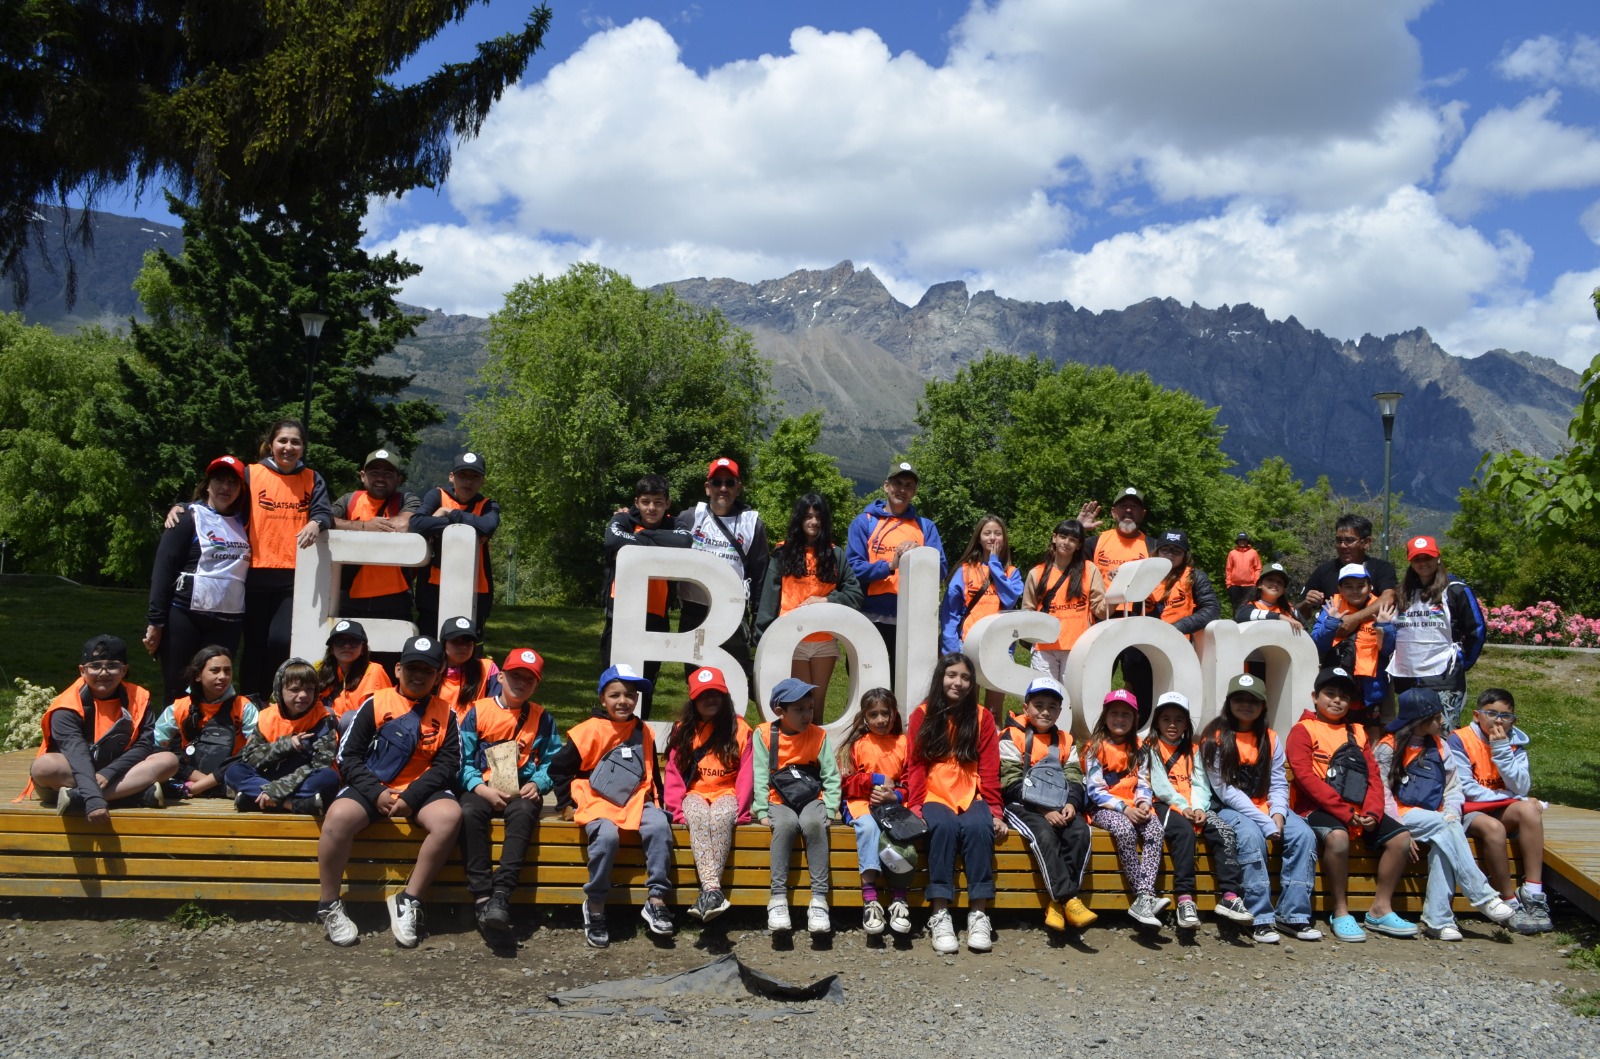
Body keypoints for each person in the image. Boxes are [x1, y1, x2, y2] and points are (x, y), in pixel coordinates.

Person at [316, 634, 463, 948]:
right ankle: (329, 904)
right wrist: (375, 792)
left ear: (438, 675)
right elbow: (348, 756)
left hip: (420, 790)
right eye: (412, 667)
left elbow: (449, 765)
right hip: (373, 784)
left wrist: (412, 796)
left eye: (427, 670)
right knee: (338, 816)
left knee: (450, 816)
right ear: (397, 669)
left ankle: (409, 901)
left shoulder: (446, 713)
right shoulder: (376, 703)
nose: (418, 675)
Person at [547, 664, 676, 948]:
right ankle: (595, 905)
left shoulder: (643, 731)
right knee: (606, 837)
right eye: (615, 695)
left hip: (636, 798)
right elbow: (558, 769)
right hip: (595, 801)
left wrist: (659, 803)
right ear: (602, 698)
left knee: (658, 826)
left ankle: (656, 899)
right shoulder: (585, 731)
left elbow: (651, 772)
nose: (623, 701)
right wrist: (565, 805)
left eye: (630, 695)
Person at [1285, 667, 1418, 943]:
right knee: (1338, 837)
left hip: (1358, 810)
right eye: (1329, 694)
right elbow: (1306, 777)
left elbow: (1373, 777)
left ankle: (1380, 909)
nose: (1336, 700)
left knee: (1401, 838)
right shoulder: (1302, 730)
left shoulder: (1356, 731)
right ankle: (1340, 911)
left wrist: (1371, 811)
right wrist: (1343, 811)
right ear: (1314, 697)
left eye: (1343, 696)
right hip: (1315, 809)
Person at [1373, 689, 1516, 941]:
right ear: (1421, 720)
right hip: (1399, 818)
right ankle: (1483, 896)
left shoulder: (1440, 746)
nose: (1442, 722)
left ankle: (1438, 920)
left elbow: (1453, 788)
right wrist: (1398, 829)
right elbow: (1381, 794)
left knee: (1446, 835)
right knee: (1445, 827)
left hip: (1436, 820)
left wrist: (1451, 813)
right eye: (1437, 717)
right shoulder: (1388, 747)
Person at [1200, 673, 1320, 944]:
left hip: (1265, 807)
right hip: (1228, 809)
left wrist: (1277, 812)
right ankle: (1260, 917)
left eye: (1253, 700)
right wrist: (1265, 821)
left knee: (1303, 835)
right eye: (1239, 699)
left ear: (1263, 705)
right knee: (1251, 837)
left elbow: (1278, 782)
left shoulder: (1270, 738)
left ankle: (1293, 915)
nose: (1246, 705)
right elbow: (1225, 791)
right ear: (1229, 702)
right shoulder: (1214, 737)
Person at [457, 646, 560, 934]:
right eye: (515, 676)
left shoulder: (543, 718)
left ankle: (502, 894)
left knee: (524, 813)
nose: (521, 683)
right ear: (500, 676)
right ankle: (481, 895)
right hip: (481, 788)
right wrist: (479, 787)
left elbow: (553, 761)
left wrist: (537, 784)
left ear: (536, 685)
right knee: (467, 813)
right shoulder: (478, 712)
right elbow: (462, 760)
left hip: (520, 792)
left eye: (529, 679)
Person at [907, 652, 1005, 954]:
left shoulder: (981, 717)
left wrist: (995, 810)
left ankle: (979, 912)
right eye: (952, 675)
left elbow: (989, 766)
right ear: (941, 677)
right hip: (934, 791)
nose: (958, 682)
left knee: (979, 827)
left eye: (965, 677)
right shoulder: (921, 714)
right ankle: (939, 911)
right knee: (943, 827)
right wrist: (915, 807)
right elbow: (916, 764)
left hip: (970, 789)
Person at [23, 635, 179, 819]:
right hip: (72, 772)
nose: (103, 673)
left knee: (168, 760)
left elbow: (143, 745)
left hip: (118, 771)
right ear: (82, 670)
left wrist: (108, 773)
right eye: (95, 666)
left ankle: (77, 798)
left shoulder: (140, 697)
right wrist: (95, 802)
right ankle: (132, 795)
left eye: (112, 666)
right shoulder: (66, 705)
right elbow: (77, 755)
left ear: (124, 670)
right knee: (44, 767)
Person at [144, 454, 251, 707]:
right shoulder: (186, 517)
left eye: (232, 483)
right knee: (178, 690)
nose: (225, 488)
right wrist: (155, 621)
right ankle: (173, 744)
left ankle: (209, 742)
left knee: (215, 689)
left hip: (228, 619)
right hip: (185, 614)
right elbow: (163, 570)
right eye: (219, 481)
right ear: (207, 484)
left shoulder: (246, 521)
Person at [238, 419, 334, 697]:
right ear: (271, 444)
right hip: (253, 572)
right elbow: (221, 498)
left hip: (292, 576)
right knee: (254, 643)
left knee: (279, 642)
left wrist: (317, 522)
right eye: (282, 441)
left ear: (303, 447)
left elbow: (324, 512)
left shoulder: (312, 478)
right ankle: (248, 702)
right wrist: (185, 507)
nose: (288, 447)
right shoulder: (251, 474)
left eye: (295, 442)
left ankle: (272, 698)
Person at [1449, 688, 1552, 934]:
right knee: (1494, 827)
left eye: (1505, 716)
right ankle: (1508, 901)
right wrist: (1510, 798)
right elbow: (1467, 789)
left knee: (1529, 811)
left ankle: (1533, 893)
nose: (1498, 721)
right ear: (1476, 715)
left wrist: (1502, 750)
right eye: (1491, 713)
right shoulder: (1459, 739)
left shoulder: (1514, 741)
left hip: (1501, 806)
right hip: (1469, 810)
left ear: (1513, 720)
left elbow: (1522, 786)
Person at [999, 676, 1097, 933]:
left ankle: (1057, 904)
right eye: (1038, 705)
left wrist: (1073, 803)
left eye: (1051, 707)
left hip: (1060, 805)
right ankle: (1068, 898)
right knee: (1043, 833)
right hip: (1022, 806)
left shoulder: (1066, 739)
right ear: (1026, 707)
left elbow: (1075, 776)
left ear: (1059, 712)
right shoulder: (1010, 735)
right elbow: (1009, 782)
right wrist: (1044, 810)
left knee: (1079, 831)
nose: (1044, 711)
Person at [1147, 692, 1252, 929]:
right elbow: (1161, 785)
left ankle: (1230, 896)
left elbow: (1201, 783)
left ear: (1186, 723)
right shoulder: (1151, 748)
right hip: (1166, 805)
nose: (1172, 725)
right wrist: (1183, 808)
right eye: (1166, 719)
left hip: (1196, 806)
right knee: (1184, 833)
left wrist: (1199, 808)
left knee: (1223, 831)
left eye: (1178, 719)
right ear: (1157, 722)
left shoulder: (1194, 749)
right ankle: (1185, 899)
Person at [662, 666, 754, 924]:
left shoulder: (742, 729)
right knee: (700, 818)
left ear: (725, 696)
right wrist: (676, 810)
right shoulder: (684, 729)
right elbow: (674, 771)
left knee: (722, 817)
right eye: (704, 695)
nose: (710, 699)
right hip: (696, 793)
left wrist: (743, 810)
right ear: (693, 700)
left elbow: (747, 775)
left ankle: (709, 891)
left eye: (716, 693)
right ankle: (713, 891)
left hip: (728, 791)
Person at [755, 493, 863, 707]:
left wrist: (827, 600)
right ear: (799, 519)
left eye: (818, 516)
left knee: (817, 705)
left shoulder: (836, 555)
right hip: (791, 640)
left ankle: (819, 741)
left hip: (824, 642)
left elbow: (856, 595)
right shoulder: (782, 553)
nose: (813, 522)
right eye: (808, 516)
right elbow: (769, 599)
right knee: (800, 703)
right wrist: (761, 639)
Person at [753, 677, 841, 935]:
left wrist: (831, 807)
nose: (807, 715)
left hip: (812, 796)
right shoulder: (764, 734)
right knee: (786, 824)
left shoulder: (819, 734)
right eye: (799, 709)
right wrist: (761, 811)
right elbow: (759, 773)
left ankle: (819, 900)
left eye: (810, 708)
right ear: (780, 711)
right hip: (777, 798)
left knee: (814, 823)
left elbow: (831, 775)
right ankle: (778, 899)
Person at [600, 473, 692, 718]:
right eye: (646, 501)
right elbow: (611, 539)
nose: (652, 508)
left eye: (658, 502)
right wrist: (657, 542)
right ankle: (610, 738)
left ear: (667, 504)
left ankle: (640, 736)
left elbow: (684, 543)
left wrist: (638, 538)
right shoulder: (623, 518)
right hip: (620, 612)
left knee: (645, 684)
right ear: (636, 502)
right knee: (612, 680)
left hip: (655, 614)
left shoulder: (675, 525)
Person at [847, 461, 947, 684]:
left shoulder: (925, 527)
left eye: (909, 485)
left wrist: (919, 553)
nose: (902, 489)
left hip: (911, 620)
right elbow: (853, 569)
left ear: (914, 492)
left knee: (906, 685)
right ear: (886, 486)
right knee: (867, 683)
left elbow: (940, 570)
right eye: (897, 483)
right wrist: (889, 566)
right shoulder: (864, 522)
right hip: (869, 618)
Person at [676, 456, 770, 683]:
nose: (723, 488)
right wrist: (627, 517)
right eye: (717, 483)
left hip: (733, 613)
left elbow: (760, 575)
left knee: (732, 679)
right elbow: (656, 524)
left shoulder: (752, 523)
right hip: (694, 611)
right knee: (697, 679)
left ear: (739, 488)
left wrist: (758, 620)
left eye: (730, 482)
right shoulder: (690, 517)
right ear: (708, 488)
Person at [1083, 689, 1168, 928]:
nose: (1119, 719)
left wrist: (1143, 803)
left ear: (1135, 719)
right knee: (1124, 830)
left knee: (1154, 829)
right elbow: (1095, 790)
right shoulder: (1095, 747)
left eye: (1126, 715)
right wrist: (1124, 809)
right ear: (1105, 715)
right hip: (1104, 808)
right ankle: (1144, 896)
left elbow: (1144, 782)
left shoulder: (1141, 748)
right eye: (1114, 713)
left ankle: (1144, 896)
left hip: (1135, 806)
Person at [834, 688, 913, 936]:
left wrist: (896, 795)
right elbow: (845, 784)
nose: (880, 720)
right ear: (865, 718)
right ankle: (871, 900)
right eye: (873, 714)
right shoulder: (855, 746)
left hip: (895, 807)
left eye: (885, 713)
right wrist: (875, 779)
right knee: (869, 828)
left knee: (900, 834)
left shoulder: (905, 743)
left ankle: (899, 899)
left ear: (894, 713)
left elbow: (913, 782)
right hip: (861, 805)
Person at [1386, 536, 1486, 726]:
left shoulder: (1456, 590)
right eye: (1417, 559)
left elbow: (1477, 630)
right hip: (1408, 677)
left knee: (1442, 735)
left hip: (1443, 676)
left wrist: (1462, 660)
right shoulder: (1402, 592)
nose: (1423, 563)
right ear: (1410, 561)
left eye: (1428, 557)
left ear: (1438, 557)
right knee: (1411, 735)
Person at [223, 657, 340, 814]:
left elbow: (320, 764)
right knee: (234, 771)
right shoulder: (266, 717)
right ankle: (294, 805)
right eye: (294, 689)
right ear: (280, 690)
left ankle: (255, 800)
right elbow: (251, 759)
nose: (303, 695)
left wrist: (277, 790)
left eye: (310, 689)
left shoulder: (324, 718)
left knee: (328, 777)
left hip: (301, 780)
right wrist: (286, 745)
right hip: (270, 778)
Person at [940, 514, 1024, 721]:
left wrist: (994, 563)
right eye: (987, 533)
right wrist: (950, 647)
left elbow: (1009, 598)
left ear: (1004, 539)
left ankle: (991, 745)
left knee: (993, 710)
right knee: (967, 703)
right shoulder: (966, 570)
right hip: (967, 643)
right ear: (978, 538)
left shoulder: (1012, 573)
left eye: (997, 533)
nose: (992, 538)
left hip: (1000, 646)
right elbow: (950, 612)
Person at [411, 451, 500, 638]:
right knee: (429, 644)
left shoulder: (488, 505)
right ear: (452, 477)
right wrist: (469, 527)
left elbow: (488, 526)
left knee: (467, 647)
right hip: (433, 588)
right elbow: (417, 523)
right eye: (463, 476)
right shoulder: (437, 495)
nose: (468, 482)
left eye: (475, 477)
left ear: (482, 480)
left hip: (477, 589)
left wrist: (448, 513)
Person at [1086, 487, 1161, 708]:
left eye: (1135, 506)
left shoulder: (1153, 546)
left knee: (1137, 682)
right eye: (1123, 506)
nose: (1128, 510)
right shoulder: (1095, 543)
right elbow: (1062, 557)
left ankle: (1137, 730)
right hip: (1101, 620)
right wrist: (1079, 529)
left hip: (1136, 622)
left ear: (1143, 513)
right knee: (1096, 677)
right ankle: (1091, 725)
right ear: (1113, 512)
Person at [330, 447, 421, 627]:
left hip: (395, 598)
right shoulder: (349, 500)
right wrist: (364, 526)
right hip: (350, 597)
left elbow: (404, 524)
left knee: (393, 653)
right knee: (349, 651)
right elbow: (325, 518)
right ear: (363, 476)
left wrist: (358, 528)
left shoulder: (408, 500)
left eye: (388, 473)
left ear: (398, 479)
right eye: (374, 472)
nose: (380, 478)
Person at [152, 645, 258, 800]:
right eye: (215, 670)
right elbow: (153, 744)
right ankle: (216, 789)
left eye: (227, 670)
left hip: (230, 773)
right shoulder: (179, 708)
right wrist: (202, 780)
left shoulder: (244, 707)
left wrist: (197, 787)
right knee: (163, 759)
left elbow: (253, 751)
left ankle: (194, 789)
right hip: (191, 774)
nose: (223, 676)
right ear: (198, 675)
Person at [1021, 518, 1107, 683]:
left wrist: (1117, 593)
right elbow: (1028, 610)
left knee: (1072, 700)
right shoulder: (1036, 573)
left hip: (1078, 646)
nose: (1067, 542)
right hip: (1044, 648)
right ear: (1055, 538)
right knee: (1045, 697)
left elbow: (1101, 610)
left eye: (1073, 539)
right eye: (1063, 537)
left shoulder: (1089, 569)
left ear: (1079, 545)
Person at [1309, 565, 1397, 727]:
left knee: (1371, 730)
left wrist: (1385, 627)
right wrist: (1331, 623)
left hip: (1370, 687)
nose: (1355, 591)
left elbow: (1388, 651)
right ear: (1340, 589)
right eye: (1349, 587)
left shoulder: (1383, 609)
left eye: (1360, 586)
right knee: (1336, 728)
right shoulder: (1330, 608)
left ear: (1369, 587)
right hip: (1338, 684)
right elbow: (1317, 646)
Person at [1296, 514, 1398, 628]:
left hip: (1371, 642)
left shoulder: (1382, 568)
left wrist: (1354, 619)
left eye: (1349, 540)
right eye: (1339, 540)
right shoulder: (1323, 571)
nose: (1343, 546)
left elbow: (1389, 599)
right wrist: (1307, 603)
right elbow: (1299, 615)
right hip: (1331, 642)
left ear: (1367, 542)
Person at [315, 619, 393, 728]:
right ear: (331, 649)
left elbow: (386, 712)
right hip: (327, 736)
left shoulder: (375, 671)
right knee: (326, 712)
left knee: (349, 718)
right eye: (340, 642)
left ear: (362, 649)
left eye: (353, 642)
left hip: (360, 734)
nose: (347, 646)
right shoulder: (319, 670)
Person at [1146, 530, 1221, 641]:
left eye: (1177, 551)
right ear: (1157, 551)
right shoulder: (1144, 574)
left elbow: (1212, 609)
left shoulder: (1195, 577)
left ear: (1185, 555)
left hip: (1178, 639)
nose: (1170, 555)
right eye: (1165, 549)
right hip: (1145, 638)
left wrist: (1178, 627)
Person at [436, 615, 500, 721]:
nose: (463, 647)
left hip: (475, 734)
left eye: (468, 642)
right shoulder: (430, 670)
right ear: (444, 643)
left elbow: (498, 706)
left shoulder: (487, 668)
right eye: (456, 641)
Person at [1224, 532, 1262, 612]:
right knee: (1235, 607)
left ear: (1247, 541)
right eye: (1240, 540)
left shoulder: (1253, 553)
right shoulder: (1232, 553)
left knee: (1249, 606)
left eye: (1244, 540)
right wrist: (1229, 584)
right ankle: (1236, 622)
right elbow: (1228, 569)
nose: (1242, 542)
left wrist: (1256, 583)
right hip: (1234, 585)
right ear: (1237, 541)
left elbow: (1258, 568)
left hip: (1250, 585)